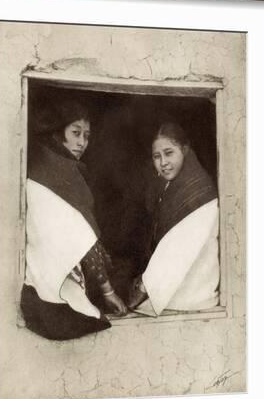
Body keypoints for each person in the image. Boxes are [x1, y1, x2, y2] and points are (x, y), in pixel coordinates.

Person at [21, 99, 127, 340]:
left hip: (39, 284)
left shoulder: (41, 163)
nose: (82, 142)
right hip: (59, 285)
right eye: (76, 133)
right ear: (59, 133)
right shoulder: (62, 171)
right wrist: (108, 291)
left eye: (87, 136)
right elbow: (83, 235)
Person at [128, 121, 220, 314]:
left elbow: (176, 249)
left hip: (192, 295)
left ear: (185, 151)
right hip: (175, 286)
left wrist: (143, 288)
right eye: (156, 156)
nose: (163, 163)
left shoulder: (198, 191)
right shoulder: (168, 187)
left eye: (169, 153)